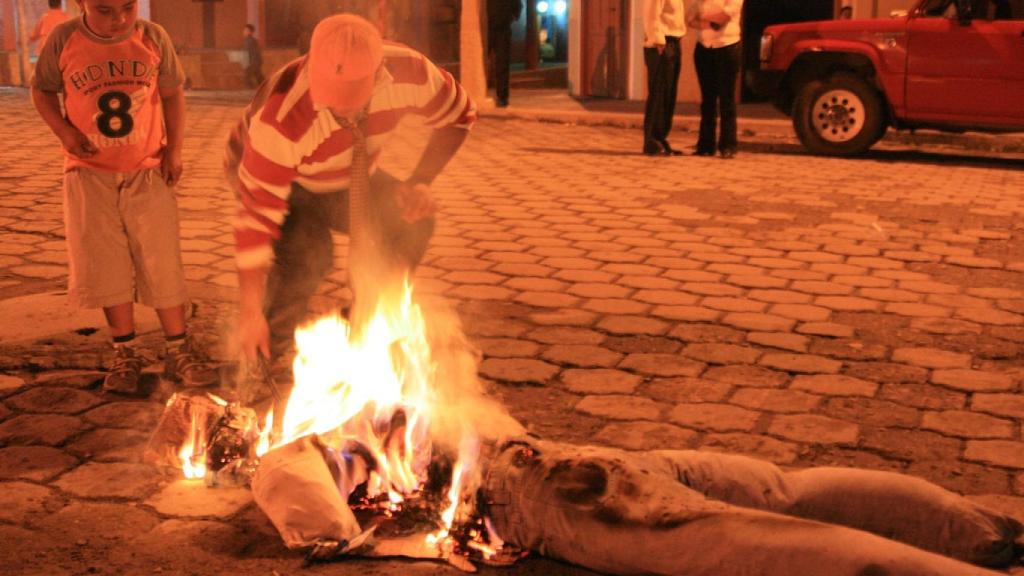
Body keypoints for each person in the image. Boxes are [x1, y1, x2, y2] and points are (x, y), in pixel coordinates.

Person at [226, 14, 475, 367]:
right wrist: (248, 313)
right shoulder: (281, 118)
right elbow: (254, 224)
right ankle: (259, 357)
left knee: (411, 221)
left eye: (352, 97)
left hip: (350, 172)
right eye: (332, 94)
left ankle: (366, 323)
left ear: (379, 73)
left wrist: (419, 182)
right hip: (278, 176)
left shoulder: (411, 72)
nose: (341, 107)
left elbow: (458, 116)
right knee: (308, 255)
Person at [31, 0, 217, 393]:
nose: (118, 19)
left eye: (127, 7)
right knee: (105, 264)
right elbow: (42, 91)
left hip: (147, 170)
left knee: (162, 259)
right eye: (104, 10)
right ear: (82, 4)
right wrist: (65, 133)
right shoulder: (64, 39)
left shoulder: (153, 37)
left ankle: (178, 348)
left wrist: (175, 149)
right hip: (89, 174)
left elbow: (171, 94)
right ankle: (125, 351)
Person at [686, 0, 743, 158]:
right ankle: (705, 145)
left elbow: (724, 17)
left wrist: (703, 18)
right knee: (708, 100)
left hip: (727, 46)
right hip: (704, 48)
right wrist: (710, 20)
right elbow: (690, 17)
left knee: (727, 99)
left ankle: (728, 145)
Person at [642, 0, 687, 156]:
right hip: (661, 44)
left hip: (673, 42)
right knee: (659, 94)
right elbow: (651, 15)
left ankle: (661, 137)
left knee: (669, 94)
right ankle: (652, 141)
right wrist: (658, 39)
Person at [487, 0, 523, 108]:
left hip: (502, 27)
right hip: (488, 27)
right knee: (480, 63)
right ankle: (500, 97)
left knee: (502, 64)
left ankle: (502, 97)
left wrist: (513, 16)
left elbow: (517, 4)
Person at [242, 23, 264, 88]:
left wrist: (251, 63)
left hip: (252, 62)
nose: (244, 32)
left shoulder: (251, 41)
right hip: (252, 62)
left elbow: (254, 53)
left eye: (246, 30)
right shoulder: (248, 41)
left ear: (250, 32)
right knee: (258, 77)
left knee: (248, 78)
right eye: (244, 30)